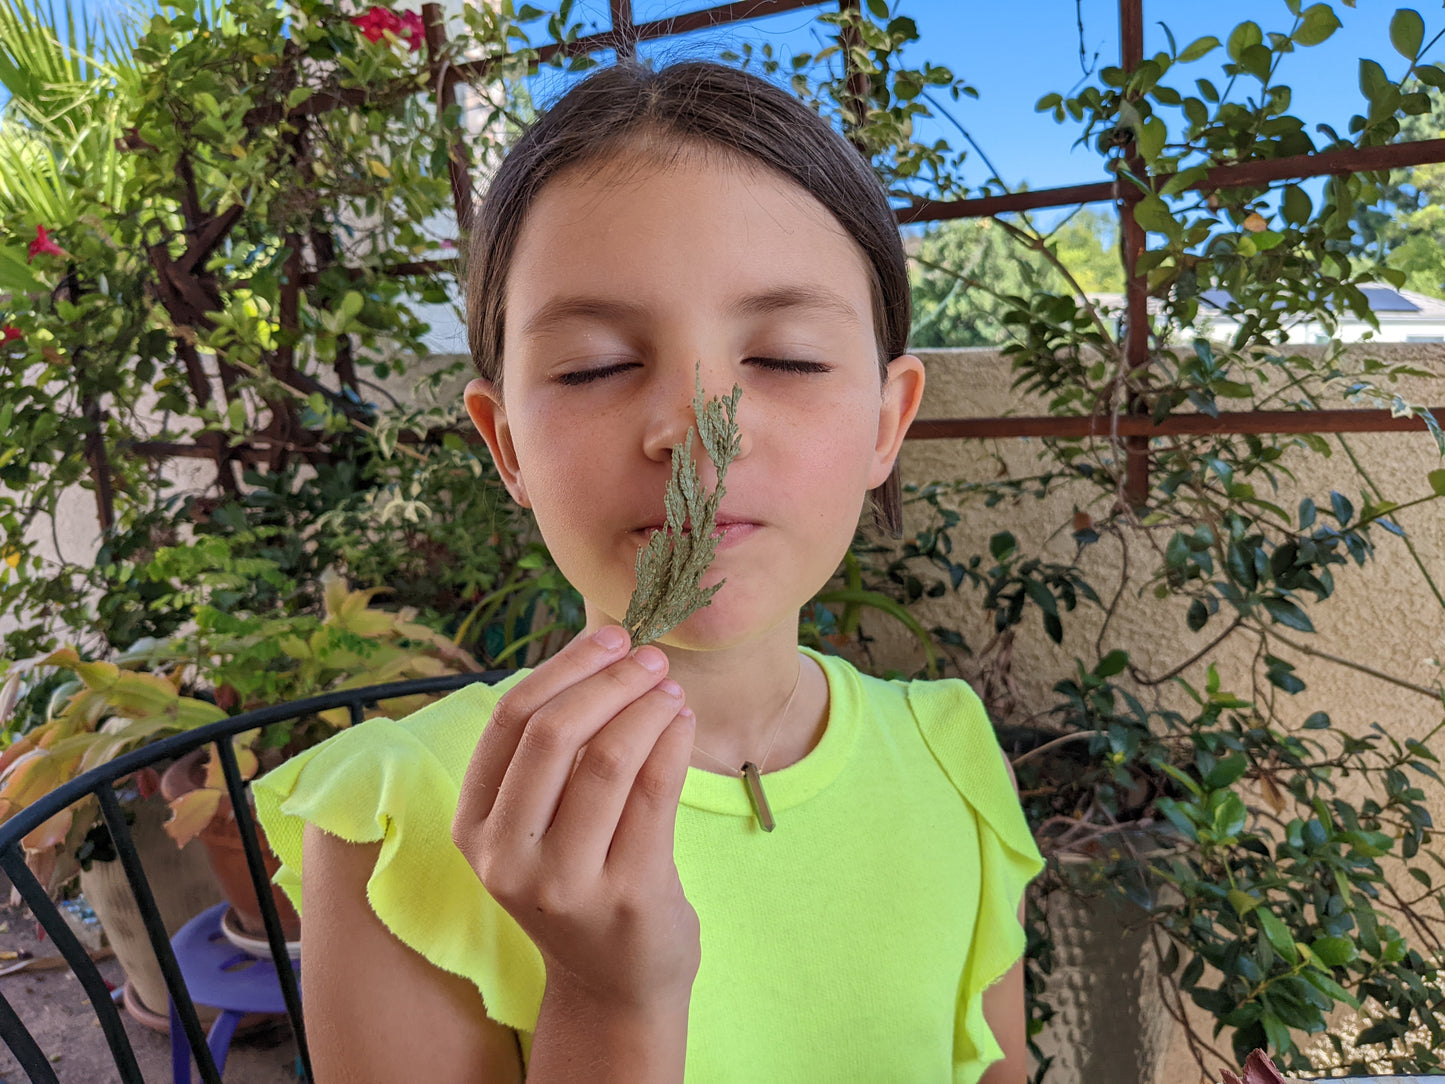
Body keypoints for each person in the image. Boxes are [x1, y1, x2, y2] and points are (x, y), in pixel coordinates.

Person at [254, 58, 1042, 1083]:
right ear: (506, 449)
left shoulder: (950, 756)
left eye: (788, 358)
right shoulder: (403, 820)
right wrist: (606, 1000)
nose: (693, 429)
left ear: (886, 421)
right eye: (593, 367)